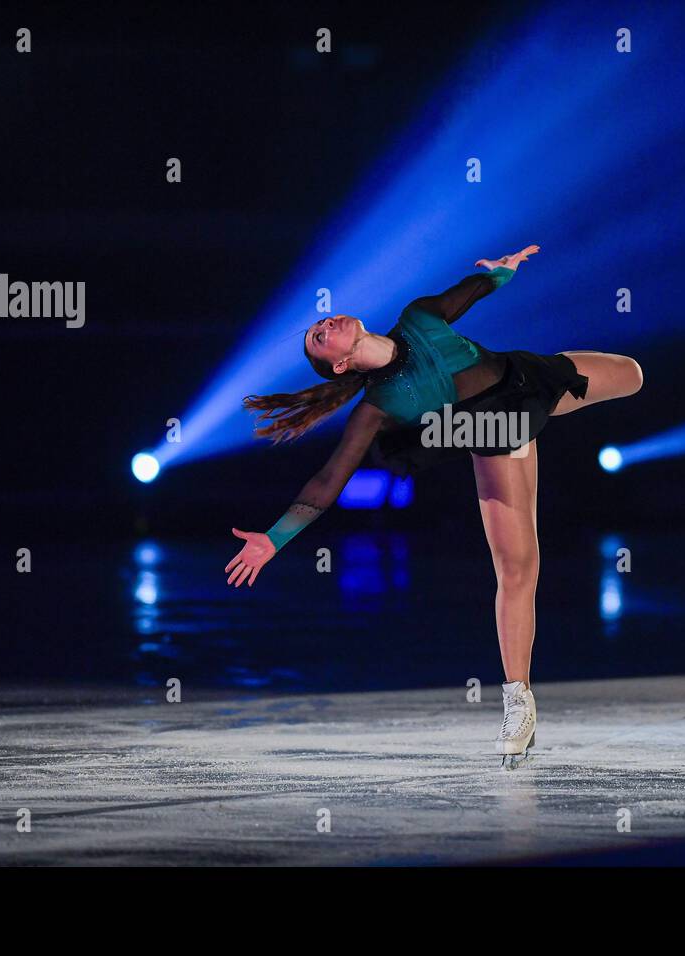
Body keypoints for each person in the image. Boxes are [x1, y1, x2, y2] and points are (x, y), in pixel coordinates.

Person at [227, 245, 643, 767]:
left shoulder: (417, 316)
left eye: (322, 321)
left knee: (632, 373)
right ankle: (519, 699)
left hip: (526, 381)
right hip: (489, 430)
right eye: (319, 335)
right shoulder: (377, 408)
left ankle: (534, 420)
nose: (325, 322)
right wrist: (274, 538)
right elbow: (329, 479)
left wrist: (502, 274)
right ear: (338, 362)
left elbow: (466, 293)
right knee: (518, 569)